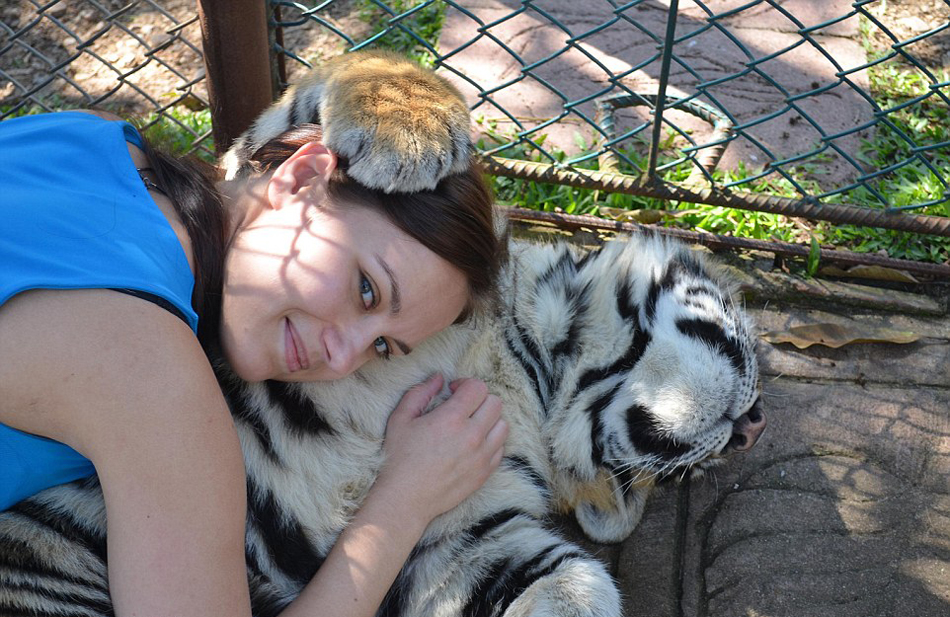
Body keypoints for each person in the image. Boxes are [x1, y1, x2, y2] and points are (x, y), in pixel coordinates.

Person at [0, 109, 508, 617]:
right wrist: (403, 502)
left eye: (380, 348)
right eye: (366, 290)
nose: (341, 358)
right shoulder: (148, 374)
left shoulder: (91, 133)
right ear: (302, 178)